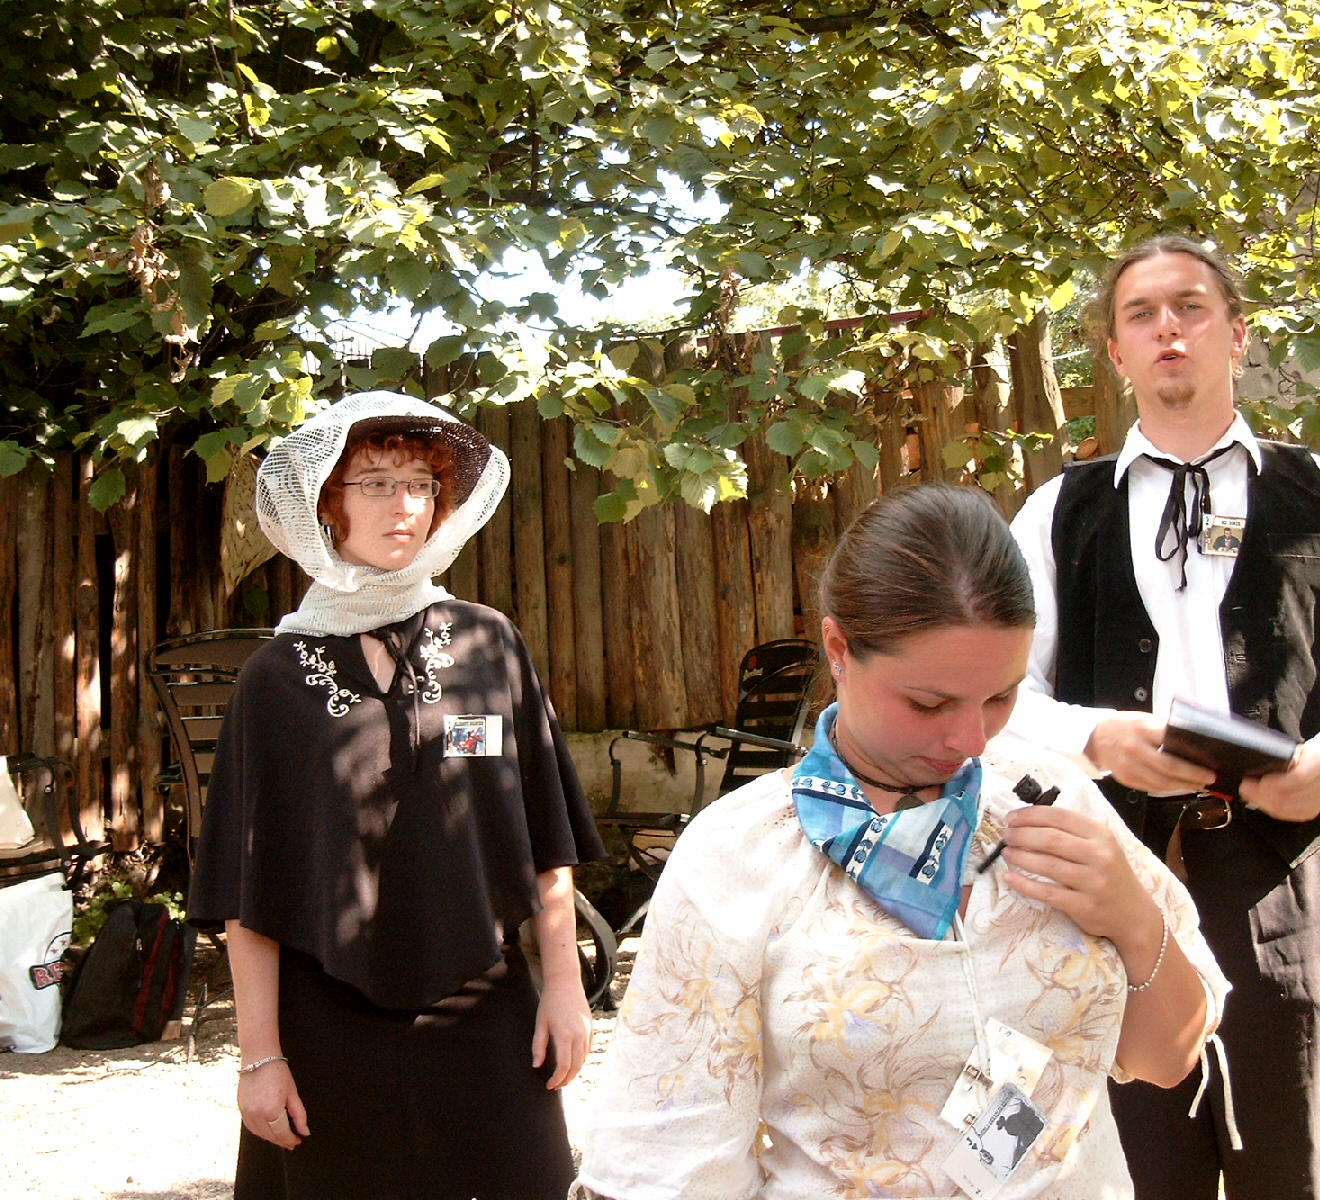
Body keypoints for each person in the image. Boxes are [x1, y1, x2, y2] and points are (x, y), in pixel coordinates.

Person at [573, 483, 1229, 1200]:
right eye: (929, 703)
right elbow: (670, 1163)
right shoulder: (742, 856)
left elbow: (1167, 1060)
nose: (971, 738)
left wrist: (1135, 920)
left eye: (1001, 696)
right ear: (839, 650)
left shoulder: (1050, 798)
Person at [1001, 236, 1320, 1199]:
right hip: (1108, 882)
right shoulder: (1057, 511)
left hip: (1287, 882)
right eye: (1141, 314)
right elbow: (992, 700)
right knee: (1129, 1167)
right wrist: (1093, 739)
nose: (1168, 328)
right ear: (1115, 352)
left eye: (1191, 307)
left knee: (1293, 1159)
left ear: (1237, 335)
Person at [188, 391, 606, 1200]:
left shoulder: (488, 644)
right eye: (376, 482)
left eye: (420, 483)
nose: (404, 504)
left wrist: (563, 988)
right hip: (324, 1021)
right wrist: (260, 1057)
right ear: (327, 504)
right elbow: (246, 888)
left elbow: (545, 835)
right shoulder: (274, 680)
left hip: (485, 1002)